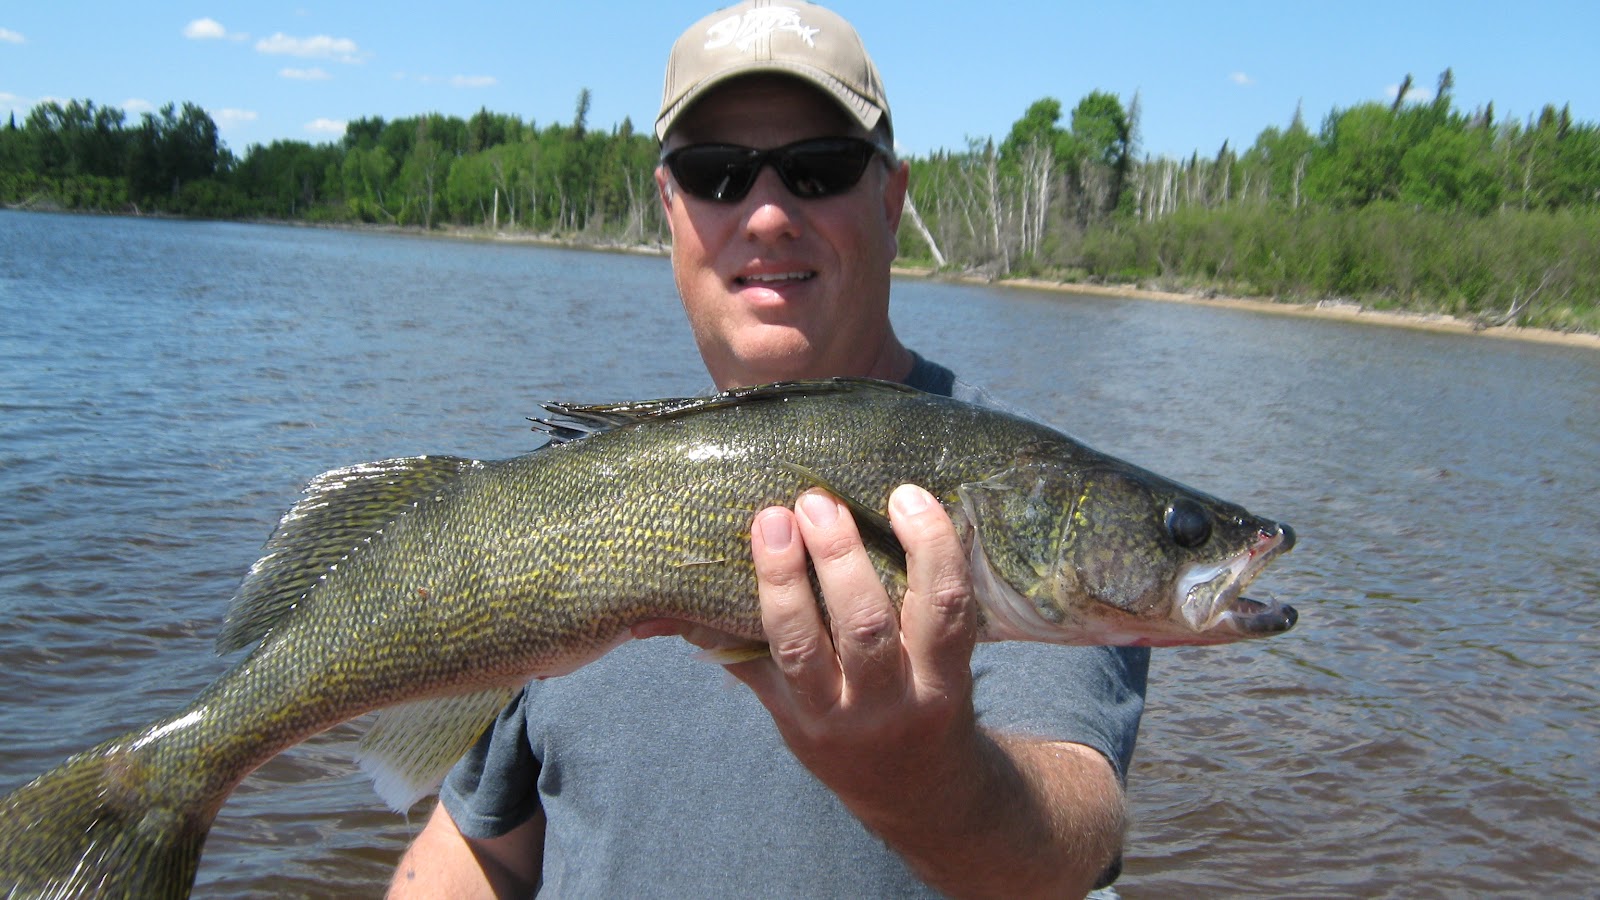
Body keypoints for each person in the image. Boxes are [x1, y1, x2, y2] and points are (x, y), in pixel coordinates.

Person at [390, 2, 1148, 897]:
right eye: (716, 174)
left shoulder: (1009, 488)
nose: (768, 214)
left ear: (891, 200)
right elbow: (482, 845)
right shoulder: (567, 505)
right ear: (670, 208)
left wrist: (929, 783)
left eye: (819, 168)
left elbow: (1065, 847)